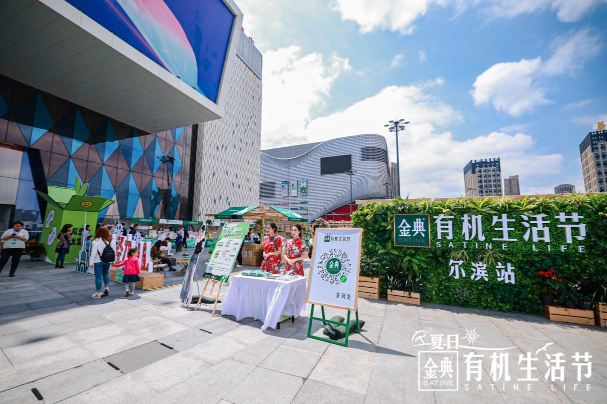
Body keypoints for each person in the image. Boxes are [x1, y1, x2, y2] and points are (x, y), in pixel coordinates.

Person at [89, 226, 116, 298]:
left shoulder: (96, 241)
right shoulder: (111, 240)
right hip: (108, 260)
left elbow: (93, 253)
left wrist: (91, 262)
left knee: (98, 276)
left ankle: (98, 292)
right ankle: (107, 287)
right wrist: (114, 260)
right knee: (106, 274)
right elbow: (114, 251)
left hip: (98, 261)